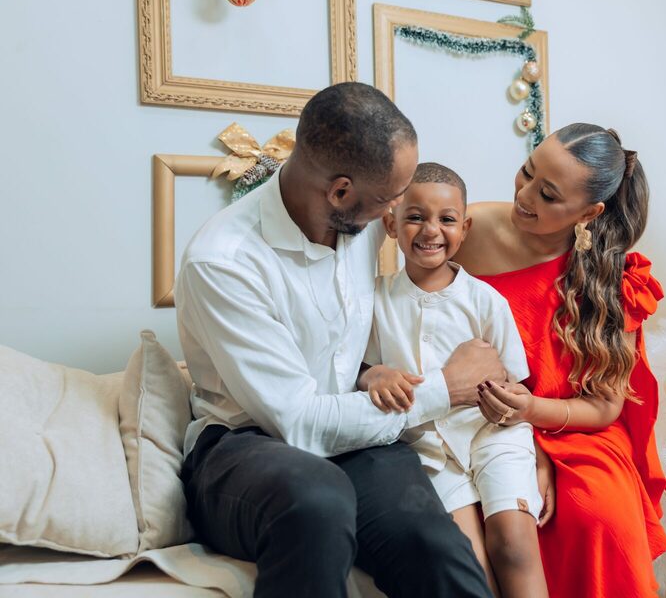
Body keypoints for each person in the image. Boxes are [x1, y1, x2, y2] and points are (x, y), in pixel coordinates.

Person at [175, 82, 502, 598]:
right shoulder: (223, 262)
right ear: (340, 192)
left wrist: (367, 372)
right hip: (246, 446)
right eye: (392, 198)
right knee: (319, 499)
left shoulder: (357, 219)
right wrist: (447, 387)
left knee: (435, 547)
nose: (398, 210)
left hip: (355, 431)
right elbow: (299, 422)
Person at [453, 123, 666, 598]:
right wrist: (526, 445)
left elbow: (605, 408)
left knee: (599, 515)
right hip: (479, 417)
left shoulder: (613, 280)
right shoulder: (467, 230)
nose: (524, 195)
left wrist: (534, 415)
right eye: (526, 172)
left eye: (548, 195)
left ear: (589, 213)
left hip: (576, 429)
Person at [359, 162, 548, 598]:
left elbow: (519, 386)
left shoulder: (485, 300)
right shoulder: (375, 300)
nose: (431, 230)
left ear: (463, 229)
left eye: (446, 219)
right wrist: (374, 374)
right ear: (391, 224)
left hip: (493, 436)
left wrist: (539, 460)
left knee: (514, 544)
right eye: (415, 217)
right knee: (467, 559)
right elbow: (358, 372)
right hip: (427, 449)